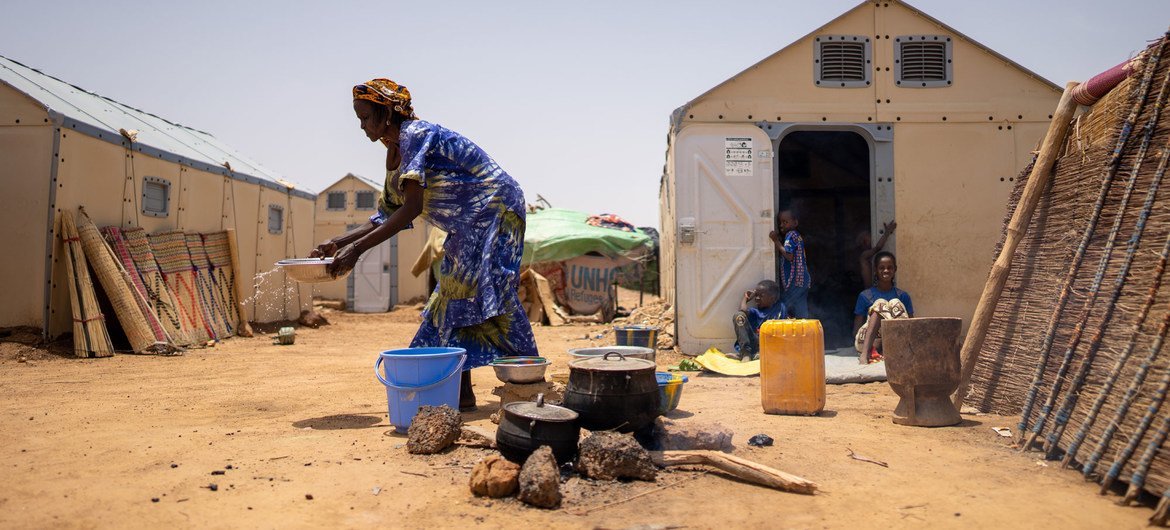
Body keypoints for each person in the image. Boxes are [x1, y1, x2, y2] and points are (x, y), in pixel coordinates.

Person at [311, 78, 538, 410]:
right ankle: (459, 392)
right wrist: (338, 242)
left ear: (387, 113)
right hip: (466, 224)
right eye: (359, 119)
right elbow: (386, 213)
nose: (362, 126)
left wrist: (357, 251)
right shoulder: (395, 156)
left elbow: (412, 208)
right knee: (449, 298)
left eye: (366, 117)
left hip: (495, 210)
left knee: (490, 291)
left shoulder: (416, 135)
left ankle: (531, 383)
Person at [853, 251, 914, 364]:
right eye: (882, 268)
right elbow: (856, 328)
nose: (886, 270)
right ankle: (865, 354)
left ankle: (890, 351)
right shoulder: (865, 296)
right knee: (880, 304)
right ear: (875, 270)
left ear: (895, 269)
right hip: (867, 343)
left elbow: (911, 324)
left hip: (893, 341)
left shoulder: (902, 296)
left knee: (895, 302)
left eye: (890, 267)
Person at [769, 209, 811, 318]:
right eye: (780, 222)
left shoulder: (791, 234)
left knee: (785, 305)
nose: (781, 225)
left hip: (796, 281)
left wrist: (776, 241)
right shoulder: (796, 236)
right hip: (801, 281)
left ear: (795, 223)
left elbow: (789, 255)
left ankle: (784, 323)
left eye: (785, 222)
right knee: (800, 307)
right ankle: (803, 326)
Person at [732, 280, 786, 361]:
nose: (757, 298)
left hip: (770, 345)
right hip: (755, 343)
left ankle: (756, 355)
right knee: (738, 316)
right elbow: (742, 310)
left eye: (761, 296)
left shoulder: (780, 307)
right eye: (756, 295)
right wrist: (746, 298)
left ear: (773, 298)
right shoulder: (755, 312)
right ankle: (745, 354)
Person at [858, 220, 896, 290]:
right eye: (863, 241)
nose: (864, 243)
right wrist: (887, 233)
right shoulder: (864, 256)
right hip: (870, 292)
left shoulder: (869, 257)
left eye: (866, 240)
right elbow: (878, 247)